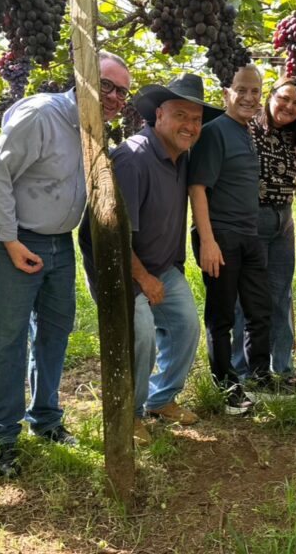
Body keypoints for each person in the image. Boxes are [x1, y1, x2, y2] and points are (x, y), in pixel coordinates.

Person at [0, 52, 130, 477]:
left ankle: (44, 418)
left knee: (55, 331)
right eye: (108, 85)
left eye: (123, 91)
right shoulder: (41, 115)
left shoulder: (93, 129)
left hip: (59, 242)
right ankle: (4, 437)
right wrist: (8, 240)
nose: (116, 97)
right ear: (82, 78)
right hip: (15, 238)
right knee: (7, 339)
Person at [98, 73, 223, 445]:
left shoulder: (181, 157)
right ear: (159, 116)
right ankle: (131, 413)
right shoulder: (133, 159)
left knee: (185, 325)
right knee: (142, 336)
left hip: (160, 266)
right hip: (121, 267)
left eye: (197, 119)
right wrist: (143, 279)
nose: (190, 125)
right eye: (182, 115)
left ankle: (161, 400)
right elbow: (116, 238)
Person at [188, 63, 274, 414]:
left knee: (259, 310)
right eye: (242, 90)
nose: (249, 97)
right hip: (221, 236)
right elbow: (197, 187)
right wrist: (207, 241)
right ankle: (226, 388)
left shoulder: (246, 131)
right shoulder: (215, 131)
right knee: (221, 316)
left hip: (249, 235)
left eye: (255, 91)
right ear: (227, 93)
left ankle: (259, 377)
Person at [230, 75, 296, 389]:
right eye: (284, 98)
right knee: (246, 298)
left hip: (284, 221)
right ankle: (242, 370)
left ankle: (282, 368)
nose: (289, 106)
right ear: (271, 96)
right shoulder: (247, 128)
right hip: (252, 219)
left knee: (280, 295)